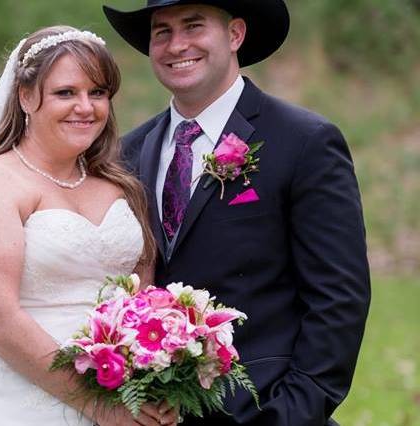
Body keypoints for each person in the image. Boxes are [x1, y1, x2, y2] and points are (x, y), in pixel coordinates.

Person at [100, 0, 371, 425]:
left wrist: (290, 414)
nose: (177, 45)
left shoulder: (304, 142)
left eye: (193, 26)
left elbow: (339, 299)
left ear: (235, 35)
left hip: (266, 410)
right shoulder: (127, 154)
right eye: (162, 31)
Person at [0, 26, 179, 426]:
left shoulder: (119, 185)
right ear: (25, 96)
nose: (85, 107)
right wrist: (96, 405)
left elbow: (140, 295)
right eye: (65, 93)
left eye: (98, 93)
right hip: (13, 402)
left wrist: (158, 379)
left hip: (119, 391)